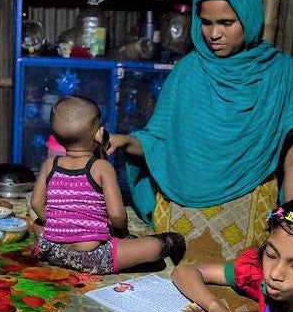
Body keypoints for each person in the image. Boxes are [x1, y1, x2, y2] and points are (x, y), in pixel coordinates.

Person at [108, 0, 293, 266]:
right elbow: (158, 142)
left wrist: (291, 227)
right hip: (180, 217)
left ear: (249, 17)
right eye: (206, 22)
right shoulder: (187, 72)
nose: (213, 34)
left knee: (239, 301)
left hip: (248, 220)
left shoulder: (282, 75)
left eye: (226, 22)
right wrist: (123, 141)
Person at [30, 95, 185, 275]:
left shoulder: (50, 163)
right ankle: (166, 244)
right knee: (155, 246)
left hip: (52, 250)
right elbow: (118, 216)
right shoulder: (102, 167)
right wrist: (123, 233)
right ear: (99, 134)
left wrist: (57, 226)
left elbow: (36, 203)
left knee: (37, 223)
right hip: (93, 256)